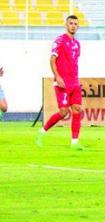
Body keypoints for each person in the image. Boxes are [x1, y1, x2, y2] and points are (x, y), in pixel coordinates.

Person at [36, 16, 84, 149]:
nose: (73, 26)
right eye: (71, 23)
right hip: (62, 82)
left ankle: (74, 143)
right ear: (66, 25)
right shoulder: (60, 40)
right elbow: (52, 60)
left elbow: (73, 62)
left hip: (74, 82)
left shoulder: (77, 44)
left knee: (77, 109)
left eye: (75, 24)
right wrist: (57, 76)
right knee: (63, 112)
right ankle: (41, 132)